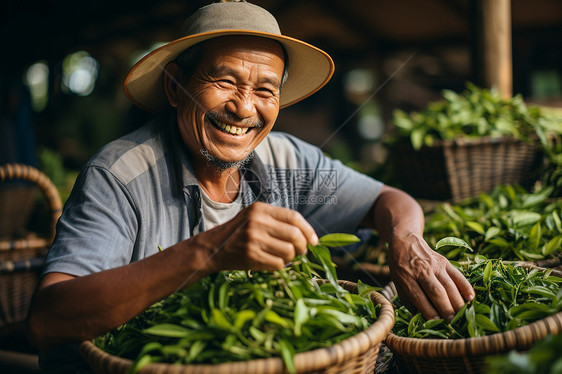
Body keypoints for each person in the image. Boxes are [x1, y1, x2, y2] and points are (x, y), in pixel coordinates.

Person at [26, 1, 475, 372]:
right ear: (176, 86)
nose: (244, 108)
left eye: (265, 89)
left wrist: (407, 241)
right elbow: (48, 320)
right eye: (224, 81)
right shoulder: (120, 175)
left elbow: (387, 199)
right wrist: (208, 251)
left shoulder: (284, 159)